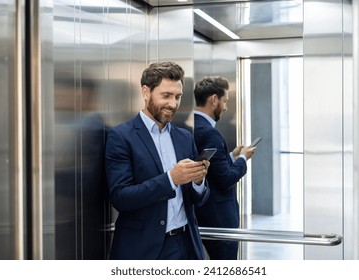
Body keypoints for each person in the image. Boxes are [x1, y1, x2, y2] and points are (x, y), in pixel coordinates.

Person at [105, 61, 210, 260]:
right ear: (146, 92)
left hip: (187, 245)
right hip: (145, 249)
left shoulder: (185, 137)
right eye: (166, 95)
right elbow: (121, 197)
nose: (173, 104)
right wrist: (171, 179)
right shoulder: (121, 136)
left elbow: (199, 199)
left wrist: (198, 181)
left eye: (177, 97)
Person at [193, 76, 255, 260]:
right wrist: (243, 158)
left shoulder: (191, 127)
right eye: (225, 100)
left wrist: (231, 155)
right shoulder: (211, 133)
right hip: (219, 218)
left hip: (201, 215)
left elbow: (208, 166)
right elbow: (225, 179)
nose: (226, 106)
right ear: (214, 99)